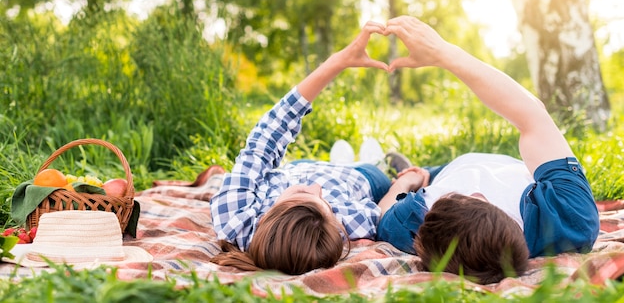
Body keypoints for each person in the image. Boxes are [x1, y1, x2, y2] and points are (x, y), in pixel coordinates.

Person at [376, 16, 600, 285]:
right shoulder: (570, 217)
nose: (476, 189)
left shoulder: (416, 220)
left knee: (397, 178)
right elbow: (531, 114)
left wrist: (407, 180)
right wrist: (444, 53)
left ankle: (406, 168)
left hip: (443, 173)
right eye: (480, 198)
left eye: (457, 196)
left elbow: (382, 216)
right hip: (512, 167)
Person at [209, 22, 428, 275]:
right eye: (324, 203)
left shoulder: (235, 219)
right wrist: (405, 183)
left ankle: (341, 159)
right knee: (374, 172)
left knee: (303, 168)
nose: (318, 188)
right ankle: (375, 162)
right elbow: (380, 212)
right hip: (359, 180)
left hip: (297, 169)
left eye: (304, 193)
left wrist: (338, 62)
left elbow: (266, 136)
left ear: (269, 214)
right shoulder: (342, 224)